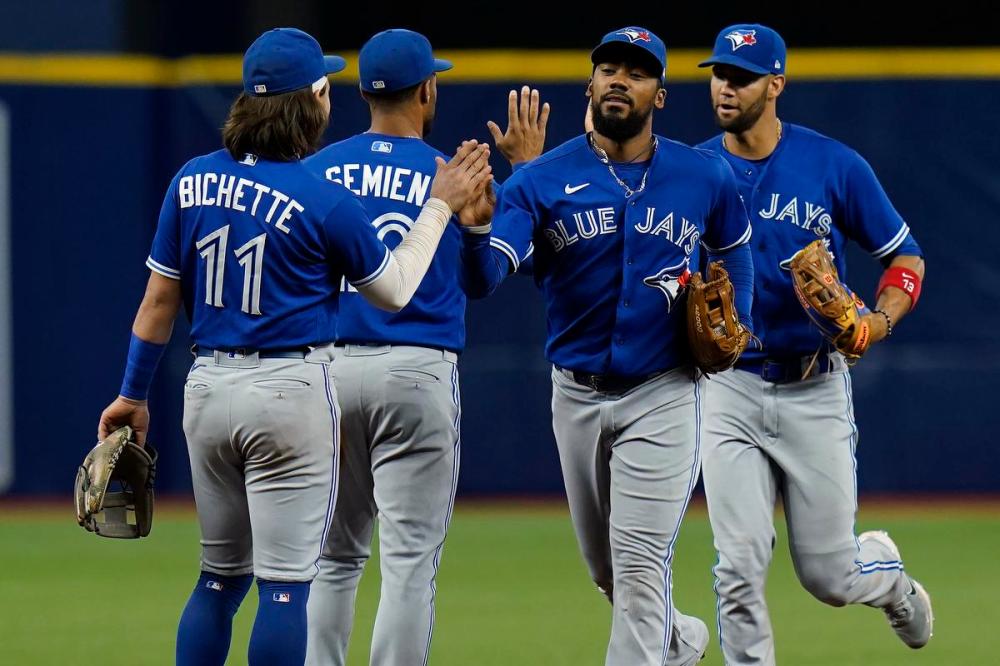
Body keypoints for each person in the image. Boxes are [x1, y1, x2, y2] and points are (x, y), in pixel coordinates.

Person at [95, 27, 491, 666]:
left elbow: (157, 304)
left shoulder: (191, 181)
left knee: (219, 578)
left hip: (205, 387)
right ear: (309, 102)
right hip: (290, 390)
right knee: (285, 586)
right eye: (322, 88)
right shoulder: (320, 198)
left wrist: (131, 394)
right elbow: (390, 291)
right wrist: (439, 207)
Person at [463, 26, 755, 666]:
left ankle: (654, 642)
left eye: (638, 71)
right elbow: (484, 279)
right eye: (609, 68)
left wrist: (742, 320)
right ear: (590, 84)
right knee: (610, 574)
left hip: (665, 392)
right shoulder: (540, 179)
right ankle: (678, 643)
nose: (620, 79)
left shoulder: (703, 174)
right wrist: (477, 225)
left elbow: (735, 249)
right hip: (576, 394)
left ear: (661, 94)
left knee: (641, 568)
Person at [302, 28, 547, 666]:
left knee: (331, 559)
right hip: (417, 372)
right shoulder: (450, 175)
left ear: (359, 93)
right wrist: (480, 225)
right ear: (428, 89)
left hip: (328, 373)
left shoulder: (316, 170)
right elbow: (481, 280)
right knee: (409, 563)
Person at [694, 23, 931, 665]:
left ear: (776, 84)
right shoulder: (691, 171)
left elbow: (905, 258)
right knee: (737, 565)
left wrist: (875, 323)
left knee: (829, 578)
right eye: (718, 73)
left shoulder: (833, 164)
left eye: (741, 77)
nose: (725, 86)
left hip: (815, 386)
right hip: (727, 389)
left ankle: (885, 574)